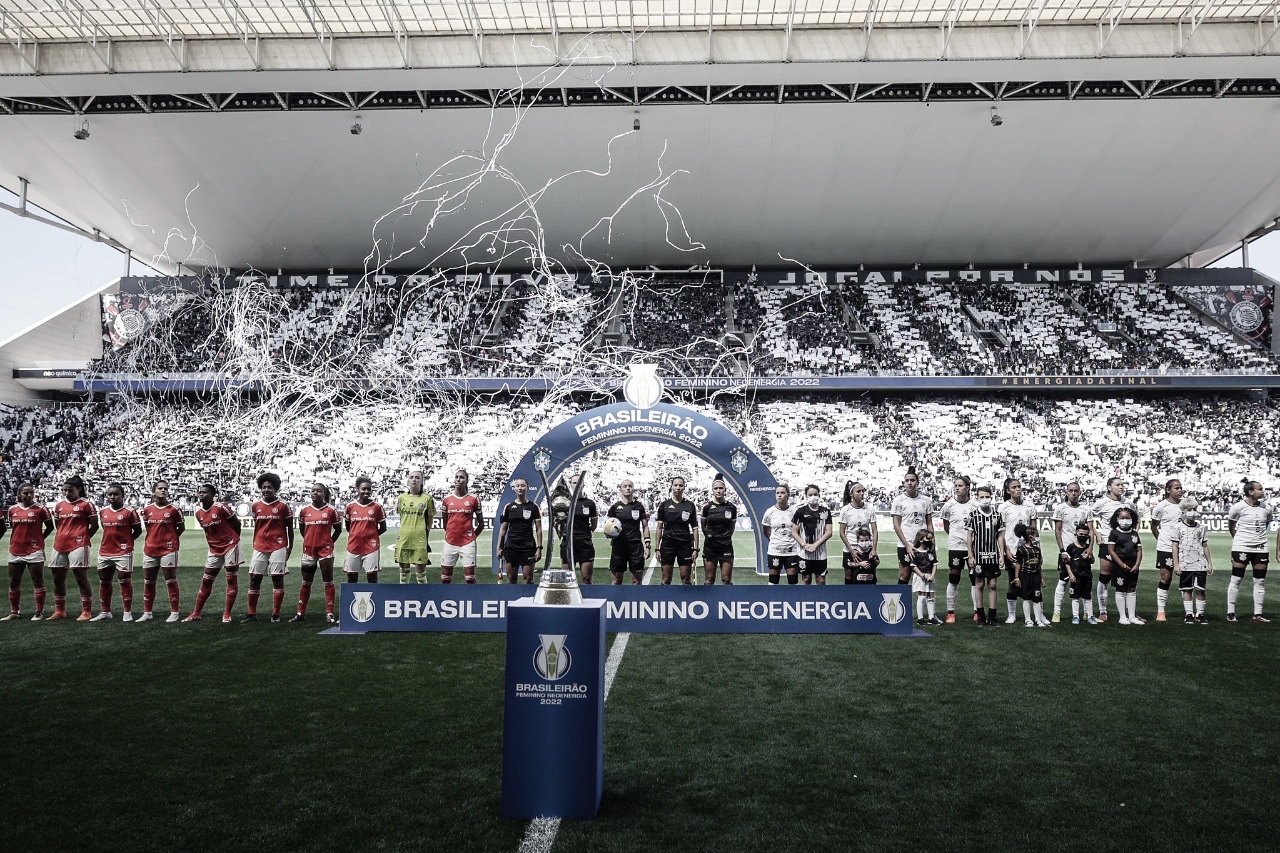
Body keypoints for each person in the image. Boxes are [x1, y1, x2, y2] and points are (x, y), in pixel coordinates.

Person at [185, 483, 244, 623]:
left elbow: (237, 524)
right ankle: (196, 613)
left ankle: (227, 613)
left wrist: (234, 541)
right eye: (200, 492)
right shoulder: (198, 513)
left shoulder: (221, 508)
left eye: (205, 492)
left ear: (212, 496)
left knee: (231, 579)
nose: (201, 494)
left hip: (230, 545)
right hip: (214, 549)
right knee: (206, 580)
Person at [245, 472, 293, 624]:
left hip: (278, 546)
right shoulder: (256, 506)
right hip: (259, 546)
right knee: (254, 579)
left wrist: (289, 546)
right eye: (264, 487)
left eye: (270, 487)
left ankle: (275, 614)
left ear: (276, 489)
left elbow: (290, 529)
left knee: (277, 579)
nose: (266, 490)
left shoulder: (283, 506)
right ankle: (252, 613)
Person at [48, 475, 98, 621]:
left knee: (80, 577)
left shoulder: (86, 504)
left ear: (79, 489)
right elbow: (58, 525)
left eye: (70, 490)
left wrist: (83, 536)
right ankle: (60, 611)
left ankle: (87, 611)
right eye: (65, 490)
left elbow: (93, 524)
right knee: (57, 578)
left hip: (79, 543)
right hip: (59, 544)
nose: (67, 493)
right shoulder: (59, 505)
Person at [90, 483, 142, 621]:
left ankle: (127, 612)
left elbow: (137, 531)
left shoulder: (130, 512)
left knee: (124, 581)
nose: (112, 497)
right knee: (104, 581)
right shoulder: (103, 511)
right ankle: (105, 612)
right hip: (105, 551)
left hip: (123, 552)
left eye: (116, 494)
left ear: (122, 496)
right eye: (110, 494)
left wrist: (127, 543)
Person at [291, 482, 342, 623]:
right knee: (306, 582)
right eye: (313, 490)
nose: (315, 493)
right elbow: (302, 529)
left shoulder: (331, 510)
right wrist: (309, 540)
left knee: (328, 581)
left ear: (324, 493)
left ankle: (330, 613)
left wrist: (329, 541)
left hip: (325, 550)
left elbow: (338, 530)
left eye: (319, 491)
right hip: (308, 550)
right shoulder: (304, 511)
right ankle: (300, 613)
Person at [4, 483, 53, 621]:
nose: (29, 495)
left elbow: (50, 527)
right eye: (25, 493)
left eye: (31, 492)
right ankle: (14, 611)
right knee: (14, 581)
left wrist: (39, 539)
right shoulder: (12, 509)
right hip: (15, 549)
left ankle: (39, 612)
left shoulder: (40, 509)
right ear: (19, 494)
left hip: (34, 550)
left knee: (38, 580)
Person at [1091, 476, 1137, 623]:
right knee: (1105, 576)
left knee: (1128, 576)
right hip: (1107, 542)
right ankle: (1103, 610)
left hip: (1125, 545)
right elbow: (1088, 518)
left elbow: (1136, 518)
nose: (1121, 487)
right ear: (1109, 487)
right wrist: (1097, 534)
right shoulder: (1101, 503)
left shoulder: (1128, 503)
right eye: (1118, 485)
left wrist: (1132, 534)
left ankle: (1129, 613)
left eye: (1122, 484)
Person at [1226, 479, 1271, 623]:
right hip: (1242, 547)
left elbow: (1267, 523)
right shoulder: (1238, 507)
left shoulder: (1267, 507)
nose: (1262, 491)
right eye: (1260, 489)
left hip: (1261, 548)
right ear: (1251, 492)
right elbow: (1231, 525)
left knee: (1260, 580)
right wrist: (1238, 541)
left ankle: (1258, 613)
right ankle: (1231, 612)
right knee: (1237, 579)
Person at [139, 480, 184, 623]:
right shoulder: (147, 510)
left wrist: (170, 540)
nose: (163, 490)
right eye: (160, 488)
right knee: (148, 582)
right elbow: (148, 527)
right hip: (150, 549)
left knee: (170, 581)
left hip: (168, 550)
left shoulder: (174, 509)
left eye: (166, 488)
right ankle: (147, 612)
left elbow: (180, 528)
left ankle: (175, 612)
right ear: (154, 491)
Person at [1051, 482, 1094, 623]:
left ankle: (1087, 613)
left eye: (1076, 491)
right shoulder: (1060, 508)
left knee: (1084, 581)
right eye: (1071, 491)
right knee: (1063, 581)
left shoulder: (1086, 509)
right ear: (1066, 492)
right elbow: (1057, 530)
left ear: (1080, 492)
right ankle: (1057, 612)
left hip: (1082, 551)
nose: (1074, 493)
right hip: (1067, 550)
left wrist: (1090, 548)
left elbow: (1091, 530)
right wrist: (1062, 550)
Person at [998, 478, 1037, 624]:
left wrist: (1035, 547)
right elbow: (1001, 532)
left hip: (1027, 550)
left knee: (1033, 581)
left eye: (1019, 486)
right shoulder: (1003, 508)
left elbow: (1034, 530)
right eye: (1014, 487)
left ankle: (1035, 614)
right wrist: (1006, 551)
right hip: (1012, 550)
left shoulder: (1029, 506)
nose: (1018, 489)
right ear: (1008, 491)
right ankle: (1012, 614)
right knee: (1013, 581)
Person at [938, 475, 975, 623]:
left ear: (967, 487)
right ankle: (951, 612)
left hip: (972, 547)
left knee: (975, 578)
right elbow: (946, 525)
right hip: (956, 547)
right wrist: (956, 537)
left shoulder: (975, 505)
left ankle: (977, 611)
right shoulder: (949, 505)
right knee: (954, 577)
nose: (957, 488)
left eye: (960, 486)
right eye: (956, 486)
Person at [1171, 497, 1213, 624]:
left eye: (1195, 509)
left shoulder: (1201, 527)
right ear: (1183, 511)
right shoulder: (1178, 527)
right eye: (1190, 509)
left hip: (1199, 564)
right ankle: (1189, 613)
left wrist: (1209, 562)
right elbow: (1175, 546)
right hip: (1185, 563)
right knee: (1187, 589)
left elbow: (1204, 545)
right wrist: (1176, 564)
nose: (1193, 512)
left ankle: (1200, 614)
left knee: (1200, 589)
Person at [1148, 479, 1185, 622]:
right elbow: (1154, 526)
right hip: (1166, 547)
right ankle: (1161, 611)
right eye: (1176, 488)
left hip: (1184, 548)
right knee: (1166, 578)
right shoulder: (1161, 506)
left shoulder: (1186, 506)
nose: (1180, 490)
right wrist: (1162, 539)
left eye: (1181, 488)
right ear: (1168, 490)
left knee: (1186, 578)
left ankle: (1188, 611)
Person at [966, 485, 1003, 626]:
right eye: (982, 497)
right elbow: (970, 535)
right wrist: (970, 555)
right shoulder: (973, 515)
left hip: (993, 555)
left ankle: (992, 616)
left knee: (993, 584)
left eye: (987, 497)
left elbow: (1000, 535)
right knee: (979, 584)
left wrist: (1001, 554)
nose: (985, 499)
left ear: (991, 497)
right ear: (977, 498)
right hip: (979, 555)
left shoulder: (997, 515)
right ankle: (980, 616)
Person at [439, 469, 483, 584]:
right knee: (445, 577)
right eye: (457, 477)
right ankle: (444, 599)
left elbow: (481, 523)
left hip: (468, 543)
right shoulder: (447, 500)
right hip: (450, 542)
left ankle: (473, 599)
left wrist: (472, 537)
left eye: (462, 477)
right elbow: (445, 523)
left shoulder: (474, 499)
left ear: (467, 480)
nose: (459, 479)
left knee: (470, 578)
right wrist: (451, 533)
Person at [891, 467, 932, 585]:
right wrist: (907, 545)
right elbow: (896, 525)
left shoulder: (925, 500)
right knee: (905, 575)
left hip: (923, 543)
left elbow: (929, 523)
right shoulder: (899, 500)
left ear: (917, 482)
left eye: (912, 480)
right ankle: (901, 603)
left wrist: (931, 542)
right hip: (906, 544)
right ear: (904, 483)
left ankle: (922, 603)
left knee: (924, 575)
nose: (909, 483)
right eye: (907, 480)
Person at [654, 477, 699, 585]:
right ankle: (665, 600)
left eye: (680, 485)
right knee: (666, 579)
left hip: (685, 545)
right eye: (675, 485)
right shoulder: (664, 505)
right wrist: (657, 548)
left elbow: (695, 528)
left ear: (684, 487)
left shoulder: (690, 505)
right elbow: (659, 528)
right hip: (667, 545)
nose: (678, 488)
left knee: (686, 579)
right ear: (671, 487)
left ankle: (687, 601)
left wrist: (696, 549)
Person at [344, 477, 387, 590]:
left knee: (372, 577)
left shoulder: (377, 507)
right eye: (363, 489)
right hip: (353, 546)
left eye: (369, 489)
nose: (366, 492)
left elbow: (383, 528)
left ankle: (373, 603)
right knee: (351, 577)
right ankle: (351, 604)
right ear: (357, 490)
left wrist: (371, 535)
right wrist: (357, 534)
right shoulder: (350, 507)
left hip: (371, 547)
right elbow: (349, 527)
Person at [395, 469, 436, 584]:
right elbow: (401, 516)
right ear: (408, 481)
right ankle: (403, 596)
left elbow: (430, 519)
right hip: (403, 538)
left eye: (417, 477)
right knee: (403, 573)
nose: (414, 479)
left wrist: (424, 532)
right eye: (412, 477)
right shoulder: (401, 498)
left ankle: (423, 598)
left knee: (421, 575)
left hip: (419, 539)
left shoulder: (427, 498)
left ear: (422, 481)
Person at [498, 477, 542, 584]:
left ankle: (527, 600)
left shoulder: (534, 507)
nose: (520, 488)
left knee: (528, 579)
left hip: (528, 547)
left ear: (527, 488)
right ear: (514, 488)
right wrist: (499, 547)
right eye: (518, 486)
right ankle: (512, 601)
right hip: (511, 547)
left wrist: (539, 548)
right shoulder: (508, 507)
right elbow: (503, 529)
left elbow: (539, 529)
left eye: (523, 486)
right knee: (511, 579)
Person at [606, 479, 650, 585]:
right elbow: (608, 526)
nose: (627, 488)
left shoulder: (639, 506)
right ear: (620, 489)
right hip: (618, 547)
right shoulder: (615, 507)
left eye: (630, 486)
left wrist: (647, 546)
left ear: (633, 489)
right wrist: (609, 533)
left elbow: (645, 527)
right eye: (625, 486)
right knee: (616, 581)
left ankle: (636, 601)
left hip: (636, 547)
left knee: (637, 581)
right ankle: (617, 601)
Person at [558, 473, 599, 583]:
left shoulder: (590, 504)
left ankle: (588, 599)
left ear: (583, 484)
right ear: (570, 485)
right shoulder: (564, 502)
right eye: (574, 482)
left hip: (585, 543)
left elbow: (594, 525)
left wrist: (583, 532)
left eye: (579, 482)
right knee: (567, 580)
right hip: (568, 543)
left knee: (586, 579)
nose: (577, 485)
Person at [1107, 506, 1144, 625]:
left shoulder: (1134, 534)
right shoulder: (1114, 533)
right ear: (1117, 519)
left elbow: (1139, 550)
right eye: (1122, 518)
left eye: (1127, 518)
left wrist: (1137, 564)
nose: (1125, 520)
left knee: (1131, 589)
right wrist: (1122, 565)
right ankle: (1122, 616)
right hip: (1119, 566)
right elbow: (1111, 551)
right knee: (1120, 589)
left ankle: (1132, 616)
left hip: (1133, 565)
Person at [838, 480, 878, 585]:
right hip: (850, 547)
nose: (862, 493)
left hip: (866, 547)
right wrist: (851, 550)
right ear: (851, 494)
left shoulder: (870, 508)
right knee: (849, 575)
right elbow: (842, 532)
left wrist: (873, 549)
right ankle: (849, 599)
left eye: (863, 491)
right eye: (858, 491)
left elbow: (874, 530)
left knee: (868, 573)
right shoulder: (845, 510)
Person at [791, 485, 833, 585]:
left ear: (819, 495)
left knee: (821, 579)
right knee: (806, 579)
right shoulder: (800, 512)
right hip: (804, 551)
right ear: (806, 496)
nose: (813, 497)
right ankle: (805, 599)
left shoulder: (826, 511)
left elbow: (829, 532)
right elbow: (794, 532)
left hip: (820, 552)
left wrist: (815, 545)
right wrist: (804, 544)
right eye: (810, 495)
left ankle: (821, 599)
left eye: (815, 494)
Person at [699, 476, 737, 585]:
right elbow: (703, 527)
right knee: (709, 580)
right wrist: (711, 537)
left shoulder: (732, 508)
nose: (718, 490)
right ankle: (709, 601)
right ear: (712, 490)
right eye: (716, 488)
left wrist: (724, 537)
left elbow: (732, 527)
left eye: (721, 488)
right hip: (711, 547)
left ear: (725, 490)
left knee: (726, 580)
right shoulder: (707, 507)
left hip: (726, 546)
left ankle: (727, 601)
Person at [1012, 522, 1049, 627]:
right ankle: (1028, 620)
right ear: (1030, 536)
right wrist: (1016, 578)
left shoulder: (1037, 550)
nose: (1037, 537)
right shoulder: (1021, 549)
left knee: (1037, 597)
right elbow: (1018, 563)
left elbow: (1039, 565)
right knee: (1026, 598)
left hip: (1036, 576)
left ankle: (1038, 619)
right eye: (1036, 535)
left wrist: (1041, 578)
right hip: (1025, 575)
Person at [763, 485, 800, 585]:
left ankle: (792, 600)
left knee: (793, 582)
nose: (780, 495)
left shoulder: (794, 511)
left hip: (791, 551)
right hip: (775, 550)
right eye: (777, 493)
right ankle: (772, 600)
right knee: (773, 582)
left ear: (788, 495)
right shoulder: (769, 512)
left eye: (782, 493)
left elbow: (799, 530)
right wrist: (774, 540)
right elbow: (766, 530)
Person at [1063, 521, 1098, 625]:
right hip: (1075, 576)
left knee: (1087, 596)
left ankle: (1090, 616)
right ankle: (1075, 616)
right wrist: (1070, 574)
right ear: (1076, 534)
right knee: (1075, 597)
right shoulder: (1071, 547)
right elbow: (1067, 562)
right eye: (1081, 534)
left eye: (1085, 535)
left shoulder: (1088, 548)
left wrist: (1090, 558)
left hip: (1087, 575)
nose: (1083, 536)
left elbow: (1092, 561)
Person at [910, 529, 941, 626]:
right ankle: (920, 618)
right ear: (920, 539)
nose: (930, 540)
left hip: (930, 577)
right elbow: (913, 566)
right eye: (928, 538)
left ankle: (931, 617)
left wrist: (932, 575)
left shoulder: (931, 551)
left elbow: (935, 564)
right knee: (922, 596)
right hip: (921, 577)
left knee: (931, 596)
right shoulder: (915, 552)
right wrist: (922, 575)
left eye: (931, 538)